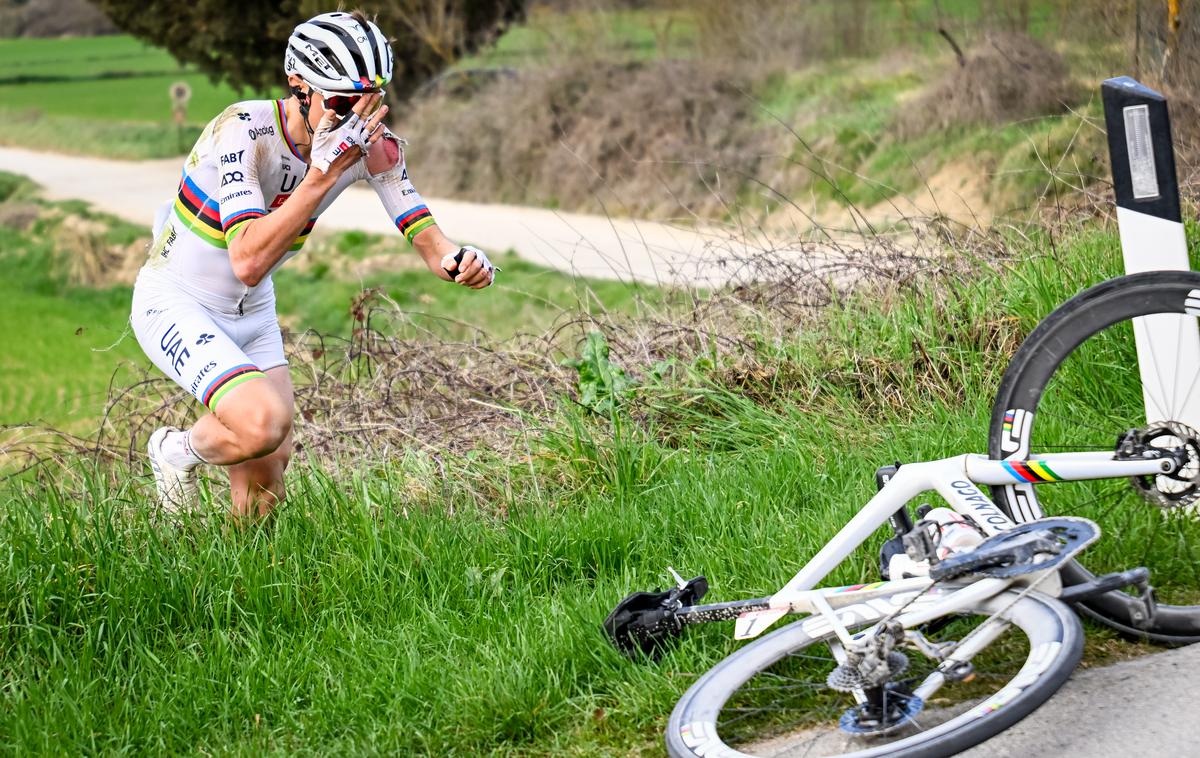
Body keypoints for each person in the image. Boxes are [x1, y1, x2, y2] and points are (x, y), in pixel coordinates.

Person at [130, 10, 496, 520]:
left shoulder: (368, 143)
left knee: (268, 469)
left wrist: (464, 261)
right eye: (344, 101)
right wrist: (323, 175)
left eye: (371, 99)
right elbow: (249, 260)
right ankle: (174, 452)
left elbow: (433, 244)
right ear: (299, 86)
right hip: (177, 300)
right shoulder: (245, 129)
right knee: (261, 424)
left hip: (251, 312)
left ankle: (240, 583)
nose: (357, 117)